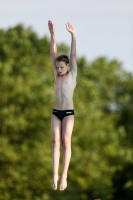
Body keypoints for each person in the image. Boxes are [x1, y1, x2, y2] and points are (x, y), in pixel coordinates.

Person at [48, 20, 77, 191]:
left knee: (66, 140)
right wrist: (53, 34)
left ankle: (64, 175)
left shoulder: (72, 75)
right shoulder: (56, 75)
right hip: (55, 112)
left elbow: (73, 55)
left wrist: (73, 36)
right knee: (55, 141)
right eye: (57, 67)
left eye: (61, 67)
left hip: (68, 113)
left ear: (67, 67)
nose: (58, 70)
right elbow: (53, 52)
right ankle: (54, 174)